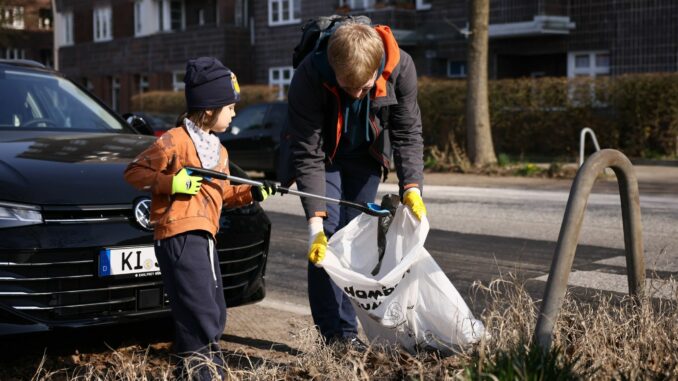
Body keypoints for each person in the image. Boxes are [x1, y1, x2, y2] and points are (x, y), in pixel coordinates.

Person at [124, 57, 275, 379]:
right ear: (209, 109)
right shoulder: (175, 140)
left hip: (204, 233)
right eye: (230, 107)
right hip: (179, 234)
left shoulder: (218, 151)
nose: (235, 112)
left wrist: (252, 193)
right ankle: (208, 373)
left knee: (206, 309)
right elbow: (134, 172)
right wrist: (171, 182)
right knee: (205, 311)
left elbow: (221, 194)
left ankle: (192, 372)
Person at [285, 20, 427, 345]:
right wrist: (314, 229)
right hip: (324, 158)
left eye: (364, 88)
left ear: (377, 68)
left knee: (357, 239)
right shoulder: (309, 75)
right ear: (333, 69)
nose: (356, 95)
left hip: (367, 157)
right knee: (331, 235)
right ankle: (333, 337)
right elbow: (307, 151)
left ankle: (349, 333)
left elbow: (407, 133)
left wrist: (413, 189)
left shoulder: (401, 68)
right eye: (348, 88)